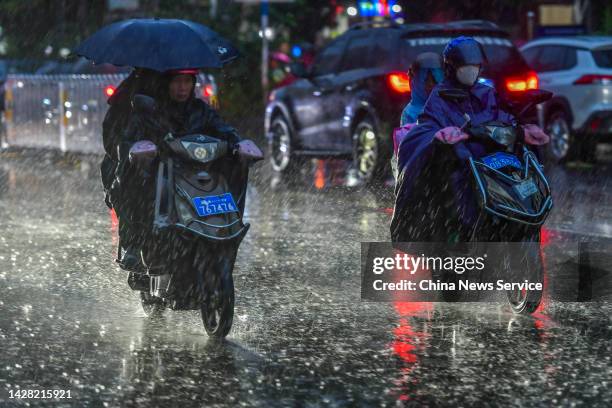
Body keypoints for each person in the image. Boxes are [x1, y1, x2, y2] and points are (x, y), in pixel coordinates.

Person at [390, 36, 549, 243]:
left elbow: (503, 118)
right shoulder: (439, 98)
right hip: (463, 172)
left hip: (493, 170)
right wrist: (440, 136)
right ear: (452, 67)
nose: (472, 71)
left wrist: (522, 130)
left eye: (476, 66)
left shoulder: (487, 94)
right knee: (457, 202)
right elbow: (428, 126)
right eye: (466, 66)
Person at [113, 69, 240, 268]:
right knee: (138, 183)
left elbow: (224, 130)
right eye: (176, 82)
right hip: (161, 173)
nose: (182, 87)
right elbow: (130, 139)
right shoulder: (150, 111)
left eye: (187, 81)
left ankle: (226, 230)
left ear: (193, 84)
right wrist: (142, 148)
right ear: (166, 83)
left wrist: (239, 144)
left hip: (196, 175)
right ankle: (136, 242)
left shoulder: (202, 110)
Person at [392, 52, 444, 180]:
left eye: (435, 80)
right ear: (416, 81)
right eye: (425, 80)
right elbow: (407, 141)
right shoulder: (410, 112)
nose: (430, 85)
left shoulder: (447, 105)